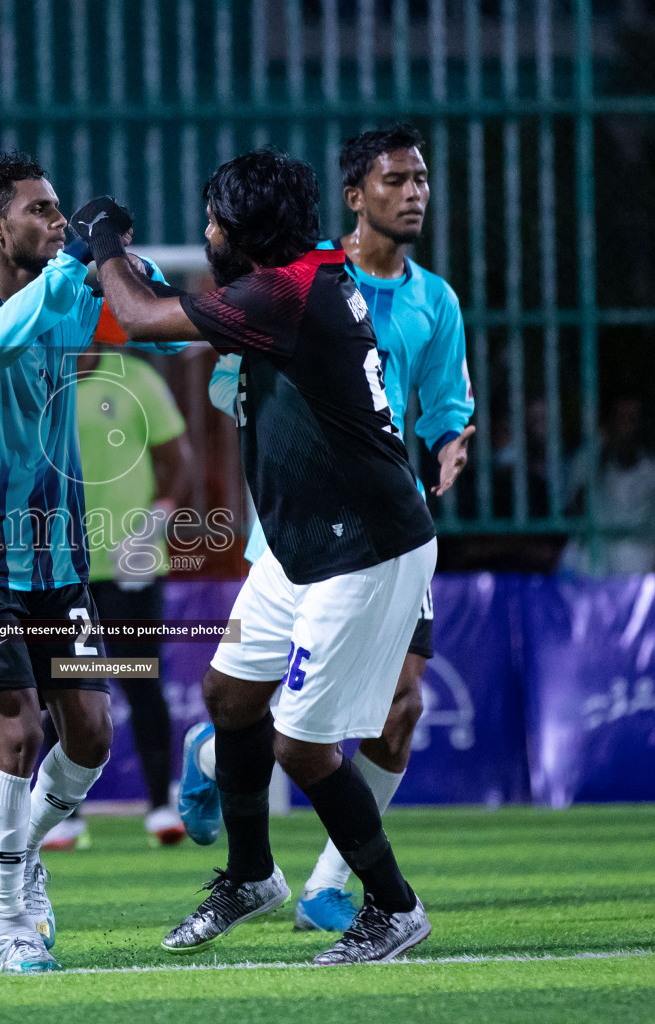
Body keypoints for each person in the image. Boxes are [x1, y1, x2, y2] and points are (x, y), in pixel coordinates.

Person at [92, 147, 438, 966]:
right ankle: (250, 875)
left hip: (362, 547)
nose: (205, 230)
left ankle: (393, 908)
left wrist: (101, 241)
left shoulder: (286, 290)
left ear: (240, 233)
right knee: (228, 696)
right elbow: (175, 327)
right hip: (301, 543)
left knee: (300, 746)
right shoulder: (297, 277)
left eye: (212, 218)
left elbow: (141, 320)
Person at [180, 124, 474, 934]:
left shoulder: (432, 301)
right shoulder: (303, 278)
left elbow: (445, 410)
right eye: (394, 180)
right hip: (291, 532)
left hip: (375, 526)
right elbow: (211, 355)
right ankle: (227, 799)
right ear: (354, 195)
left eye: (420, 179)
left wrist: (448, 447)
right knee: (251, 709)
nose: (413, 192)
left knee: (397, 707)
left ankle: (336, 883)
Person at [0, 152, 187, 973]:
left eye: (61, 209)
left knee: (91, 731)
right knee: (17, 732)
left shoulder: (72, 284)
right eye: (40, 211)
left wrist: (118, 258)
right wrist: (78, 262)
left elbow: (166, 335)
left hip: (57, 558)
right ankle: (11, 922)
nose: (56, 222)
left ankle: (19, 851)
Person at [39, 341, 193, 850]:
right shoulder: (39, 378)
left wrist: (155, 522)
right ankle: (65, 815)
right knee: (64, 689)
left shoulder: (135, 377)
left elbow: (178, 460)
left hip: (132, 562)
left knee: (142, 683)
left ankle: (161, 805)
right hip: (61, 566)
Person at [560, 395, 655, 575]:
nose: (627, 427)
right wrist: (597, 459)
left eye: (633, 420)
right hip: (594, 554)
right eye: (621, 419)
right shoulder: (587, 460)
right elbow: (572, 507)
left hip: (640, 552)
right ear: (610, 424)